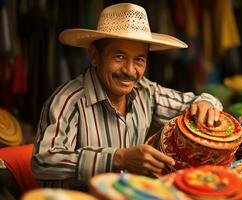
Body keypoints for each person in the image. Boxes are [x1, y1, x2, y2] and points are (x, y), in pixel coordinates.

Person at [32, 3, 222, 190]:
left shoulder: (145, 91)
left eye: (139, 59)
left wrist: (206, 103)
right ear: (95, 56)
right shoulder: (69, 101)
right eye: (119, 57)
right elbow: (44, 161)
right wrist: (118, 158)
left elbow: (198, 103)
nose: (130, 71)